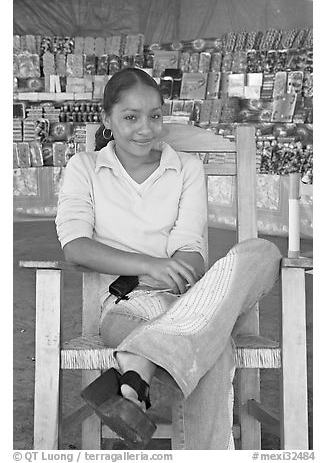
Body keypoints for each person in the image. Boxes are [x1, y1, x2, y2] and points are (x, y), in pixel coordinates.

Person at [55, 67, 281, 450]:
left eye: (155, 116)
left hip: (190, 299)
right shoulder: (86, 168)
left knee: (262, 252)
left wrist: (180, 273)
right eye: (130, 117)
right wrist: (151, 265)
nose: (146, 128)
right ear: (106, 119)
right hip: (128, 305)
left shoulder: (186, 168)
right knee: (214, 349)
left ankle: (136, 363)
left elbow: (190, 251)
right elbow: (75, 245)